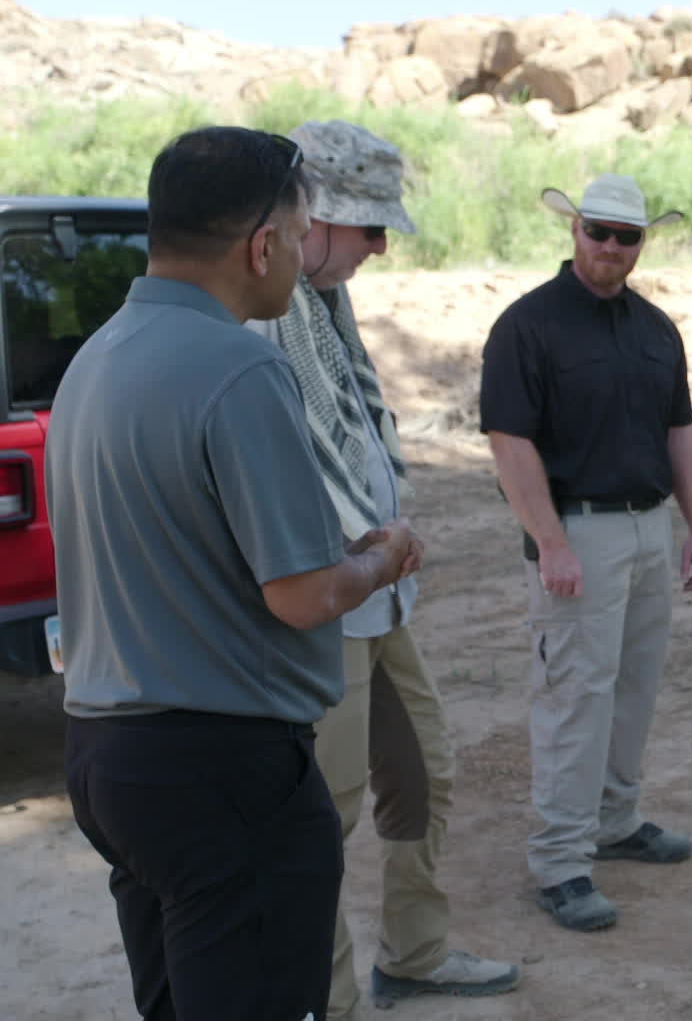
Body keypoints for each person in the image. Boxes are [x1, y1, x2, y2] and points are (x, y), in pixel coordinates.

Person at [49, 125, 419, 1020]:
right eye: (297, 235)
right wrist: (381, 558)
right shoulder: (243, 367)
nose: (298, 254)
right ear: (261, 246)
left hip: (108, 757)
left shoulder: (94, 358)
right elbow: (304, 594)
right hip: (222, 770)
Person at [253, 120, 518, 1016]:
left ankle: (415, 953)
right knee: (323, 814)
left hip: (375, 591)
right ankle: (328, 1000)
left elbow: (352, 434)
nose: (379, 247)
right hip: (324, 600)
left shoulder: (324, 302)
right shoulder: (264, 317)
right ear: (316, 217)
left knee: (423, 771)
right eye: (369, 227)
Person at [479, 173, 692, 932]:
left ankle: (615, 820)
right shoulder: (527, 326)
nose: (611, 246)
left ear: (643, 243)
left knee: (633, 687)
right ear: (574, 229)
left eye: (627, 236)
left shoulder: (656, 329)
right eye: (598, 231)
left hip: (648, 528)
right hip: (576, 532)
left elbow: (680, 432)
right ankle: (561, 862)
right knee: (575, 695)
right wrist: (551, 541)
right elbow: (509, 442)